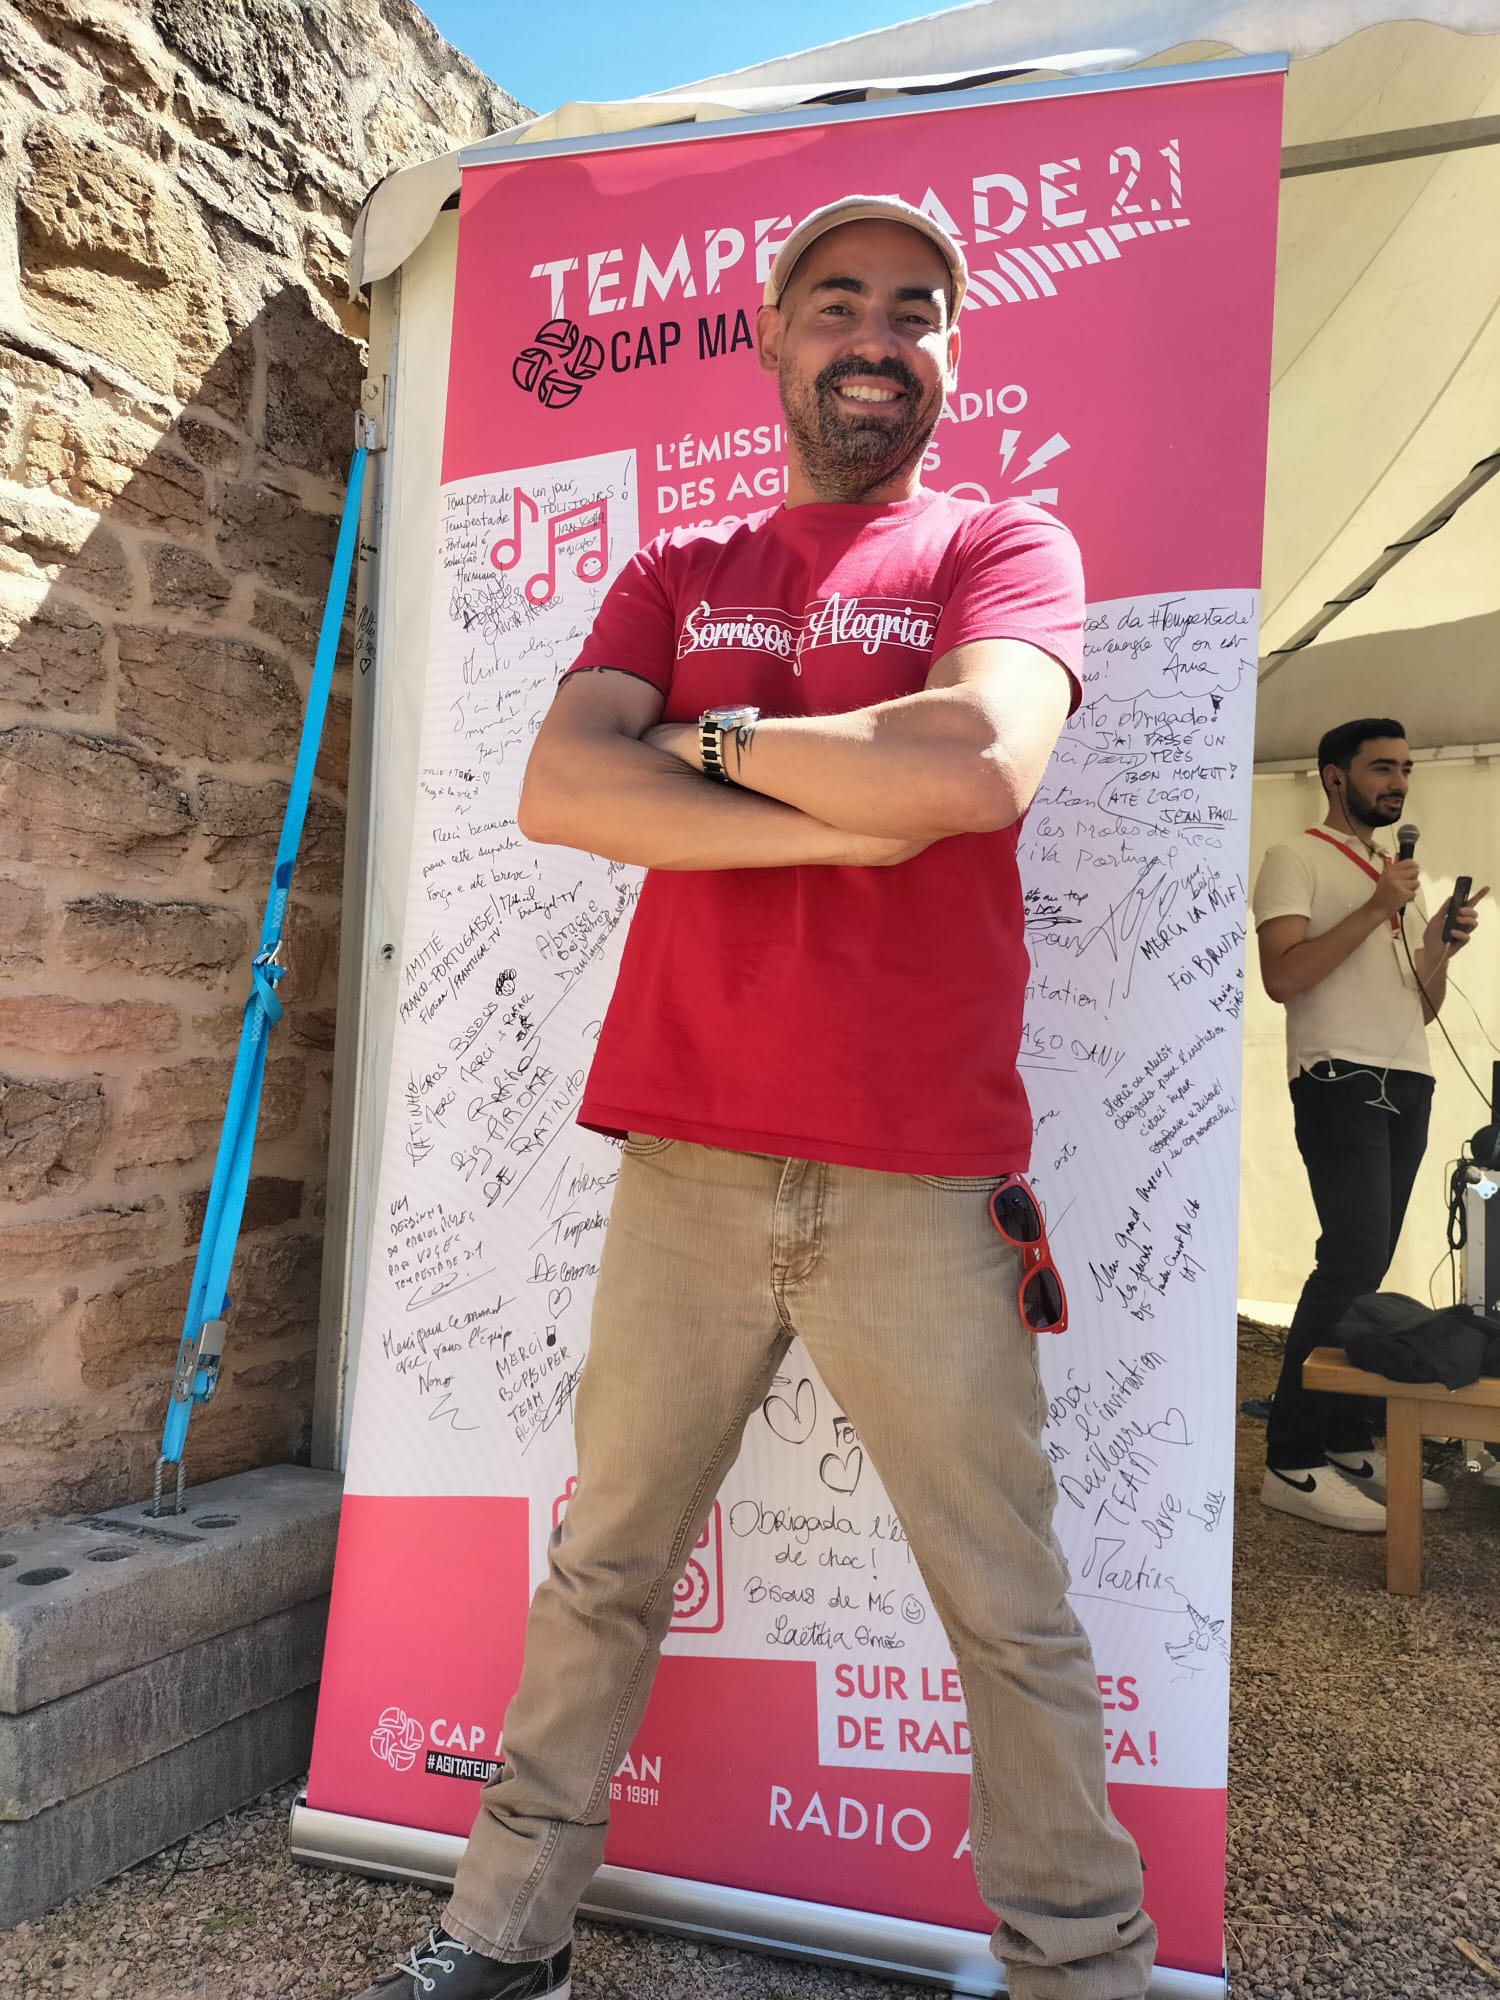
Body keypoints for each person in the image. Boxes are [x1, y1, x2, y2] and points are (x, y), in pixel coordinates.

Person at [354, 195, 1155, 2000]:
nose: (878, 334)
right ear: (775, 336)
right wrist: (841, 811)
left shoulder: (1002, 543)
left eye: (917, 309)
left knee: (1008, 1611)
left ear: (951, 353)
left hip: (922, 1175)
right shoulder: (676, 567)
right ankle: (502, 1936)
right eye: (839, 301)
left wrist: (704, 749)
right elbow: (565, 790)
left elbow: (977, 762)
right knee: (605, 1564)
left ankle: (1083, 1971)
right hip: (689, 1161)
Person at [1252, 718, 1484, 1532]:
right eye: (1382, 767)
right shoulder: (1296, 857)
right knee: (1349, 1255)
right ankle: (1291, 1457)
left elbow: (1419, 1005)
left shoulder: (1390, 873)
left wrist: (1436, 945)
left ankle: (1345, 1437)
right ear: (1333, 775)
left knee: (1369, 1263)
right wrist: (1377, 906)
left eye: (1406, 769)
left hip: (1406, 1076)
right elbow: (1283, 976)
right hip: (1339, 1077)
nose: (1399, 783)